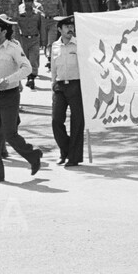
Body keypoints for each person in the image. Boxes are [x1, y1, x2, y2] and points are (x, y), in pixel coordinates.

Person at [0, 14, 42, 182]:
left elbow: (27, 68)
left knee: (9, 134)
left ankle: (33, 155)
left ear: (5, 31)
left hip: (9, 96)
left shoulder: (13, 47)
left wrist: (9, 80)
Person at [50, 16, 84, 168]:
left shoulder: (79, 45)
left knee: (77, 122)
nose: (70, 29)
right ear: (59, 29)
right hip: (59, 85)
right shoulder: (55, 46)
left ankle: (74, 157)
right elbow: (53, 67)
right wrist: (53, 83)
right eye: (66, 27)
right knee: (56, 121)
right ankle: (65, 150)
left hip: (76, 85)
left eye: (72, 26)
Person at [16, 0, 44, 89]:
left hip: (34, 39)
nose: (28, 3)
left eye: (30, 1)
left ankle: (31, 78)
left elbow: (42, 27)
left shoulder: (37, 13)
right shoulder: (18, 12)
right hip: (23, 39)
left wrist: (43, 41)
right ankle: (28, 76)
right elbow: (15, 26)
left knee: (33, 60)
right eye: (26, 1)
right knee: (25, 60)